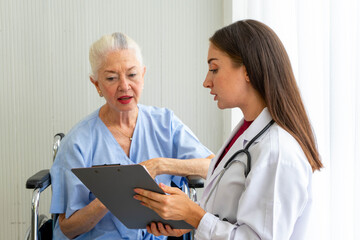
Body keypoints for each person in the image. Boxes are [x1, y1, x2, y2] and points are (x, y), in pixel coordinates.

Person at [134, 19, 323, 240]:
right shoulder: (246, 133)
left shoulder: (277, 151)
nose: (206, 81)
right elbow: (228, 216)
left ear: (248, 71)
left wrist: (194, 214)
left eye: (214, 69)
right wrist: (186, 221)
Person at [50, 32, 214, 239]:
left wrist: (161, 165)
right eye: (111, 78)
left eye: (132, 75)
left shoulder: (165, 123)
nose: (124, 86)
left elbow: (215, 167)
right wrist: (109, 197)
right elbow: (68, 228)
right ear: (96, 85)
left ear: (143, 76)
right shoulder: (78, 141)